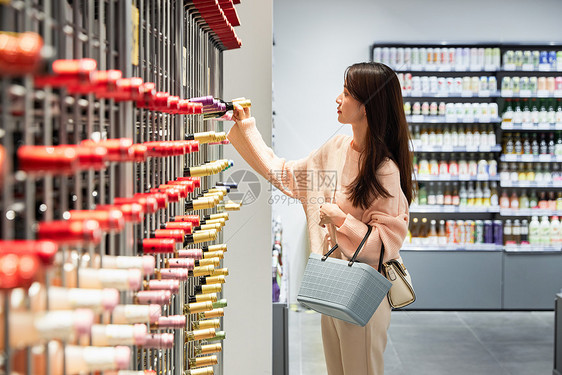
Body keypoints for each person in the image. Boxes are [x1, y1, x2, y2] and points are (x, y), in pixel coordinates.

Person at [228, 62, 415, 375]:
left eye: (345, 93)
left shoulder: (384, 170)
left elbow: (387, 245)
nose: (338, 99)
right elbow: (287, 174)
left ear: (366, 107)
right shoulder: (337, 148)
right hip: (333, 286)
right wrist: (247, 128)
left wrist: (341, 219)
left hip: (364, 295)